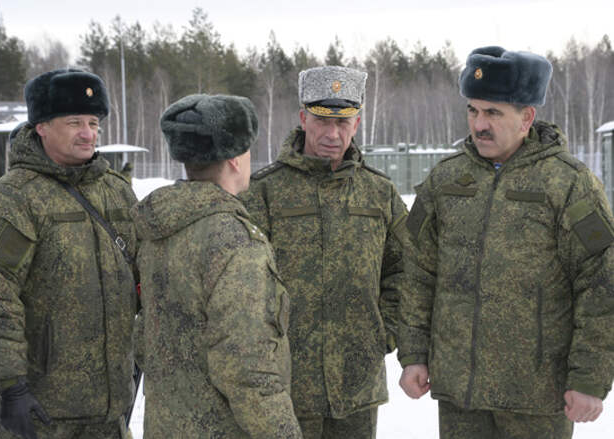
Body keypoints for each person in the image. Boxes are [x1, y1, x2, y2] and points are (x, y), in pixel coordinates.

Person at [397, 46, 614, 439]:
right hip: (460, 396)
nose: (479, 124)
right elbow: (417, 271)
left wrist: (590, 377)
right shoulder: (446, 181)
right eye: (473, 111)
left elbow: (602, 282)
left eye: (493, 113)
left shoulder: (568, 183)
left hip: (537, 396)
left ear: (526, 117)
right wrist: (413, 353)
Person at [241, 66, 410, 438]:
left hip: (357, 385)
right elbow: (244, 281)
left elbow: (406, 268)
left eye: (343, 122)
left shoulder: (379, 192)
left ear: (357, 123)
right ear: (303, 119)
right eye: (322, 121)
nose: (333, 134)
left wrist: (384, 331)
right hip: (284, 386)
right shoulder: (264, 191)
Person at [131, 94, 302, 438]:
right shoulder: (234, 241)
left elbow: (145, 339)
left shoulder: (159, 228)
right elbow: (246, 368)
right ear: (235, 159)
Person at [0, 69, 138, 439]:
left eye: (93, 123)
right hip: (41, 413)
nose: (88, 133)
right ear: (41, 126)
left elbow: (145, 278)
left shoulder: (117, 192)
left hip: (111, 412)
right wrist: (10, 384)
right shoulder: (14, 198)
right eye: (74, 122)